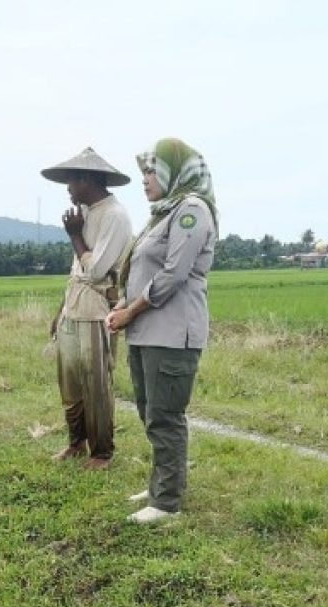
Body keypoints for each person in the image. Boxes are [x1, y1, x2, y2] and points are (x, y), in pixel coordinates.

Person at [105, 138, 218, 524]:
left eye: (152, 172)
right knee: (149, 412)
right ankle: (161, 483)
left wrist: (129, 313)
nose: (145, 180)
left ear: (174, 172)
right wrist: (123, 307)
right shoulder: (162, 215)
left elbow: (172, 275)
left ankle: (167, 502)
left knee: (166, 416)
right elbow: (144, 273)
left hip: (171, 335)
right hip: (146, 331)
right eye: (144, 173)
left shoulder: (192, 211)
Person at [41, 148, 133, 470]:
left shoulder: (114, 216)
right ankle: (76, 443)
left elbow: (94, 271)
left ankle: (102, 452)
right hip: (73, 307)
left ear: (87, 179)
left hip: (97, 310)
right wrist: (60, 311)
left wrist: (75, 235)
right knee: (69, 381)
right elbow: (75, 272)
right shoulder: (83, 212)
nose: (67, 186)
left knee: (96, 382)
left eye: (71, 180)